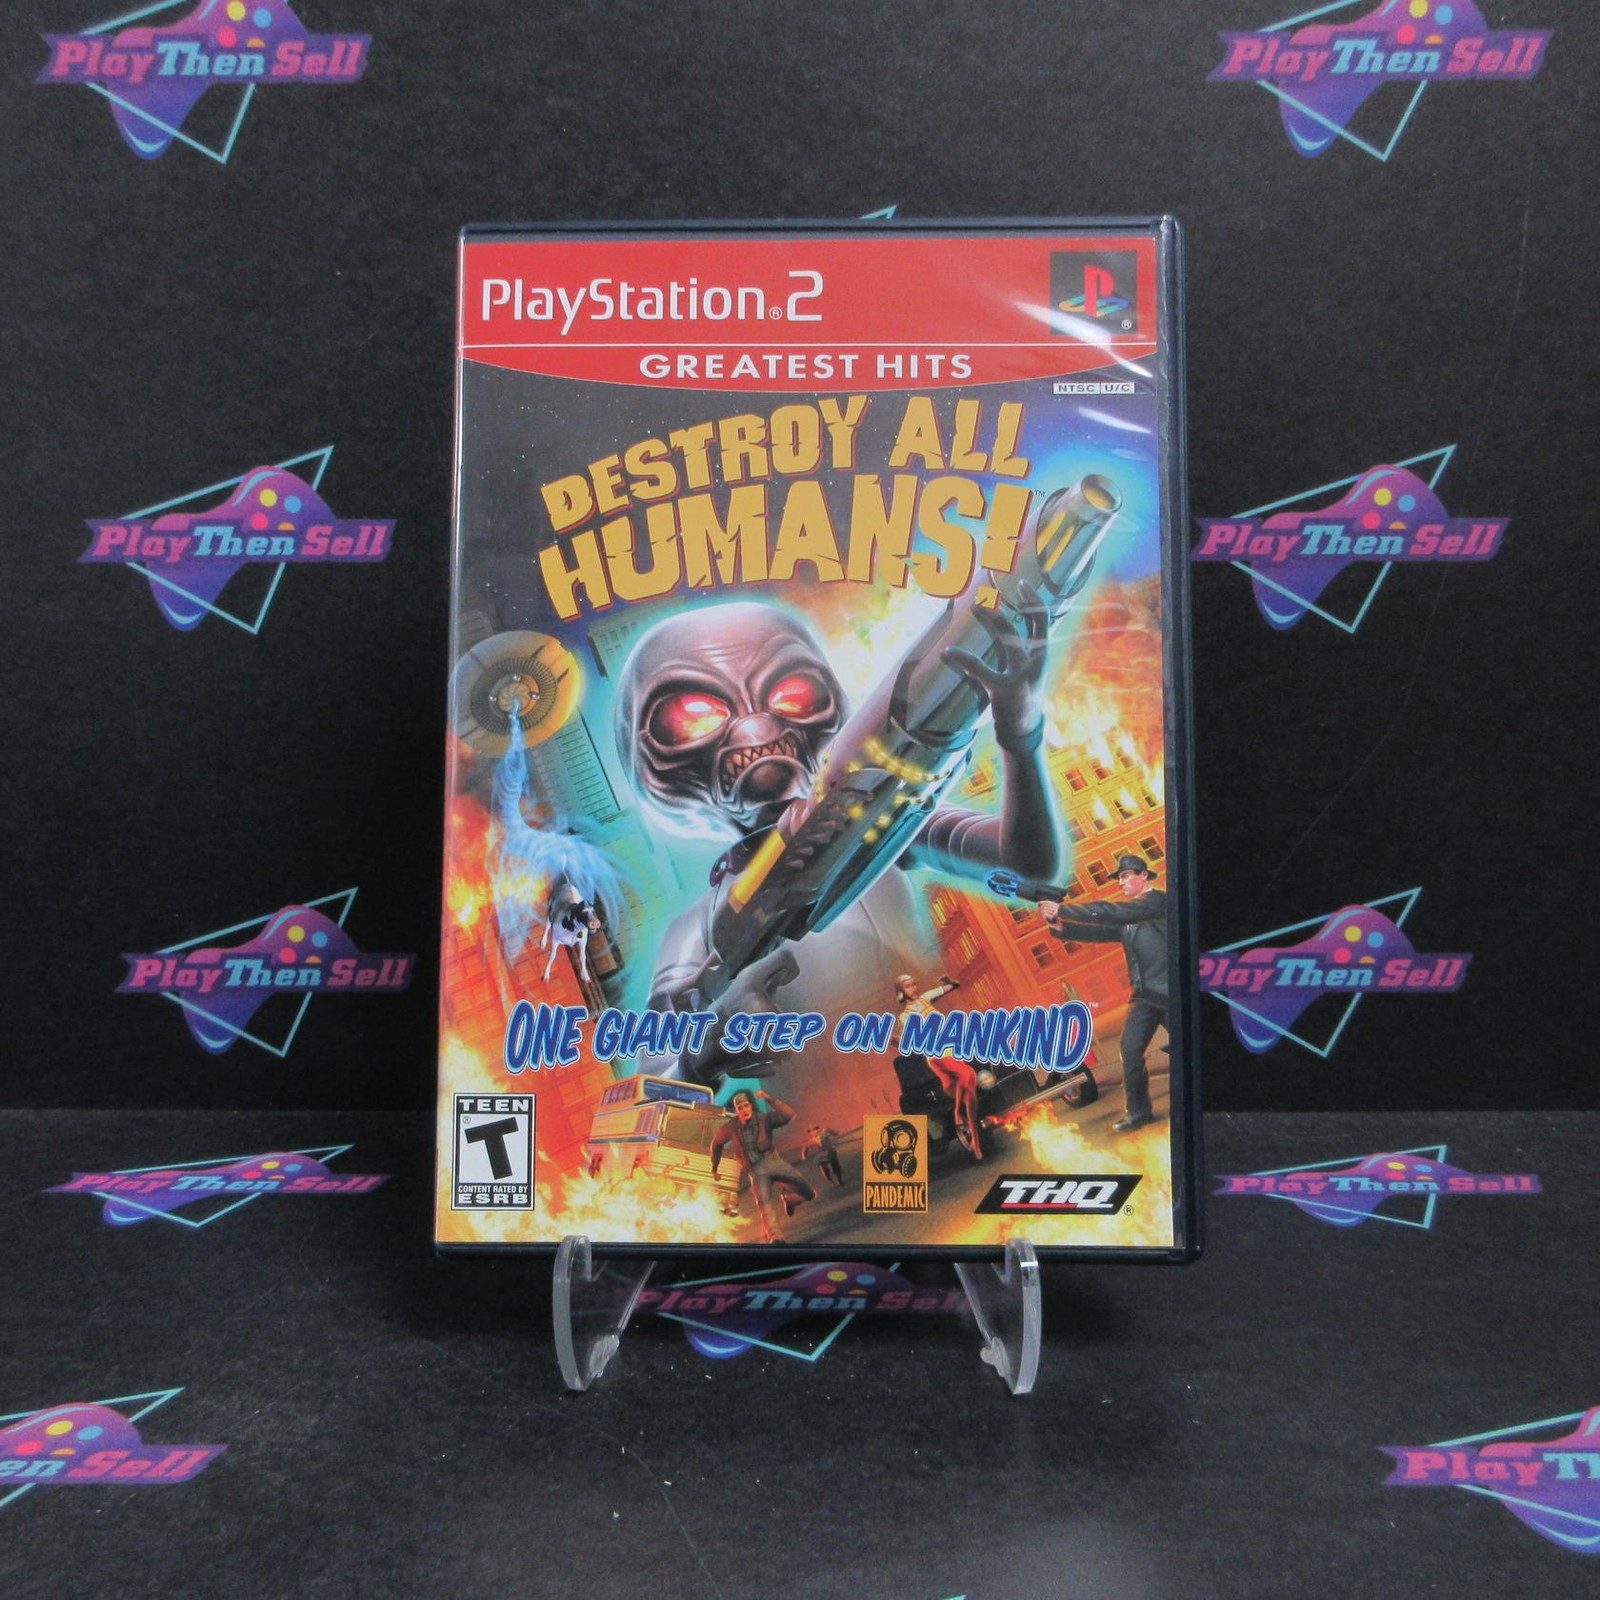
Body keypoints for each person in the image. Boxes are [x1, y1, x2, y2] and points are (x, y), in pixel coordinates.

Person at [1041, 854, 1167, 1133]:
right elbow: (1101, 933)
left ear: (1143, 875)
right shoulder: (1132, 916)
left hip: (1172, 993)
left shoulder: (1157, 901)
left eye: (1125, 876)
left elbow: (1112, 912)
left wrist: (1064, 910)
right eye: (1119, 878)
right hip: (1145, 997)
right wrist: (1061, 927)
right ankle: (1139, 1112)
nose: (1121, 882)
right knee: (1130, 1051)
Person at [893, 973, 983, 1158]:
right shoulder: (904, 1018)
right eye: (908, 986)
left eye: (914, 984)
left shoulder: (926, 998)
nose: (913, 988)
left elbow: (953, 986)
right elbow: (906, 1044)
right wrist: (896, 1040)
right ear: (901, 992)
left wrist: (950, 982)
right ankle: (964, 1122)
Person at [710, 1089, 816, 1244]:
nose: (744, 1110)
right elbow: (716, 1144)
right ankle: (775, 1237)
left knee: (809, 1193)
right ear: (737, 1111)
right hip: (756, 1171)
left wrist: (769, 1098)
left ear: (751, 1106)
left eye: (746, 1106)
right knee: (764, 1204)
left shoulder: (764, 1119)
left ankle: (790, 1199)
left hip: (774, 1162)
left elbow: (789, 1115)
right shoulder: (730, 1127)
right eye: (740, 1108)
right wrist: (715, 1167)